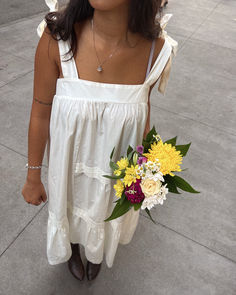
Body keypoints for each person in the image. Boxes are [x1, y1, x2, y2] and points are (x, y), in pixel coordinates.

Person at [21, 0, 177, 282]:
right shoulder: (57, 38)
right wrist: (33, 177)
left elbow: (143, 112)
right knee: (70, 204)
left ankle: (95, 252)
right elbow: (40, 111)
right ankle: (73, 247)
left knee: (103, 210)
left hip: (113, 173)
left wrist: (150, 168)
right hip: (68, 166)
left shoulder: (157, 51)